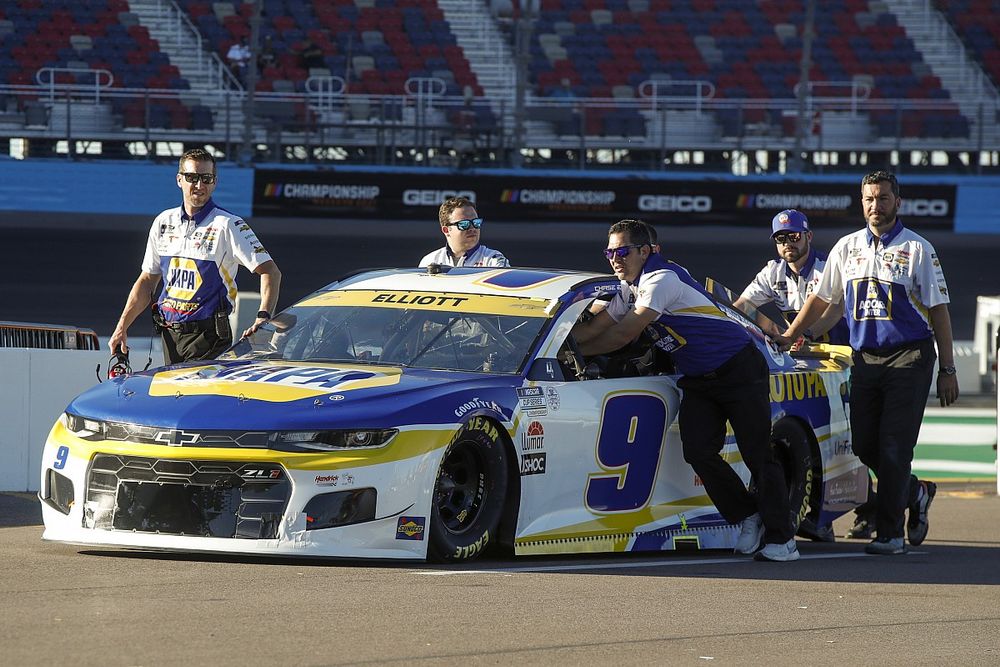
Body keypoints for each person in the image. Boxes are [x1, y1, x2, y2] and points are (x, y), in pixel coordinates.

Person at [574, 219, 799, 562]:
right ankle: (747, 515)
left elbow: (623, 335)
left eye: (622, 252)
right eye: (609, 252)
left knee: (758, 456)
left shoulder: (660, 279)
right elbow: (597, 329)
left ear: (645, 251)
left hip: (738, 369)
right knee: (697, 451)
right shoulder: (628, 286)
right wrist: (563, 347)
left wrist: (575, 353)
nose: (614, 259)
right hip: (699, 377)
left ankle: (783, 540)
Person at [776, 170, 958, 555]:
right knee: (864, 446)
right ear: (862, 202)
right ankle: (916, 492)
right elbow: (824, 301)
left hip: (910, 356)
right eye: (870, 199)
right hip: (864, 360)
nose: (876, 206)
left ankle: (890, 534)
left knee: (894, 448)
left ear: (898, 202)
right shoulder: (846, 247)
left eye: (884, 198)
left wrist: (948, 368)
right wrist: (794, 333)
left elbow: (940, 311)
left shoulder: (919, 249)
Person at [109, 148, 281, 365]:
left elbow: (271, 271)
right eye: (192, 178)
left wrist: (263, 317)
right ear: (179, 180)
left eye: (206, 178)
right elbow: (147, 281)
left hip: (209, 336)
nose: (199, 185)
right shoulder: (163, 221)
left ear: (215, 182)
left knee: (196, 397)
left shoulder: (228, 224)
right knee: (173, 397)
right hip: (169, 333)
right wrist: (122, 327)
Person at [734, 209, 849, 345]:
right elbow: (742, 305)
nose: (787, 243)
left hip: (842, 352)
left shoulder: (827, 267)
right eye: (780, 238)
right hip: (800, 353)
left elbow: (836, 309)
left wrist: (802, 335)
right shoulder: (772, 271)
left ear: (809, 236)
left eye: (794, 236)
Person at [418, 197, 509, 268]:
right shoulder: (430, 261)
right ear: (446, 230)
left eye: (476, 222)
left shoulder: (493, 260)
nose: (472, 228)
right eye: (464, 224)